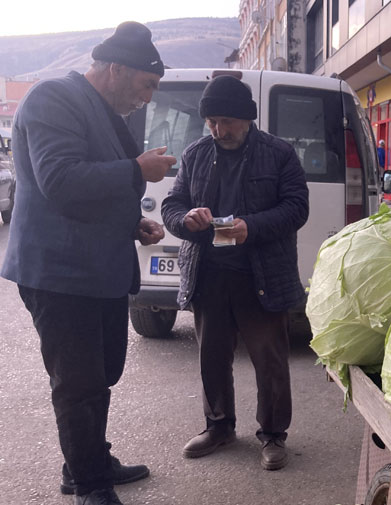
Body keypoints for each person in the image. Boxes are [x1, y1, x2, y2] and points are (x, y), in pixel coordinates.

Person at [0, 22, 176, 505]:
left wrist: (129, 224)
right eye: (148, 84)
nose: (149, 96)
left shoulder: (101, 110)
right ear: (116, 68)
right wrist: (136, 169)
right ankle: (90, 487)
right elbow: (62, 181)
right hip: (60, 274)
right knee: (79, 385)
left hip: (96, 270)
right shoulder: (53, 98)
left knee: (101, 375)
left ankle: (86, 460)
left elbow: (94, 191)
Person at [161, 75, 309, 471]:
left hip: (260, 274)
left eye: (226, 121)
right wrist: (184, 218)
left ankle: (274, 435)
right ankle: (219, 426)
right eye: (211, 121)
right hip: (209, 274)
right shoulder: (194, 153)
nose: (218, 129)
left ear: (247, 119)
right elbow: (172, 205)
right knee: (212, 357)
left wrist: (252, 227)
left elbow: (297, 208)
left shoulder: (278, 154)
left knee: (270, 360)